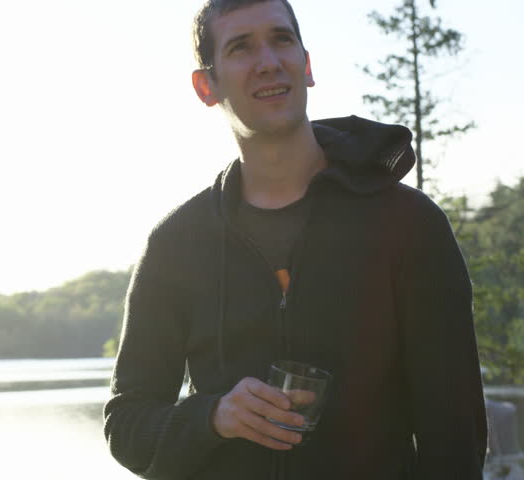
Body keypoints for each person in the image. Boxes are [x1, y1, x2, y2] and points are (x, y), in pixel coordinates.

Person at [102, 0, 488, 478]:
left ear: (305, 65)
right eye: (241, 48)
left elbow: (454, 431)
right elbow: (126, 424)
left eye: (281, 39)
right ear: (207, 86)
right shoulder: (175, 246)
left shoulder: (408, 224)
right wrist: (213, 417)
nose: (268, 61)